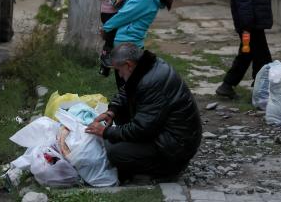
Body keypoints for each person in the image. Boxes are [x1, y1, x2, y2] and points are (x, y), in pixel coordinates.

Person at [85, 43, 202, 182]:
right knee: (118, 121)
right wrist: (112, 111)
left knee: (114, 152)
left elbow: (141, 129)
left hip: (175, 146)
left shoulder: (151, 83)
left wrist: (106, 132)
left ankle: (168, 170)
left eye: (119, 70)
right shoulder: (145, 67)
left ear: (128, 64)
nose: (120, 75)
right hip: (166, 133)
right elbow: (126, 91)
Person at [216, 0, 279, 99]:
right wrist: (247, 26)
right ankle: (261, 89)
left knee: (247, 53)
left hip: (253, 24)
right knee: (262, 57)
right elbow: (243, 0)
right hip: (249, 25)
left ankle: (229, 86)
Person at [95, 0, 131, 77]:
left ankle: (115, 62)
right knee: (110, 38)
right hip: (107, 13)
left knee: (118, 39)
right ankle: (104, 63)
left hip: (121, 14)